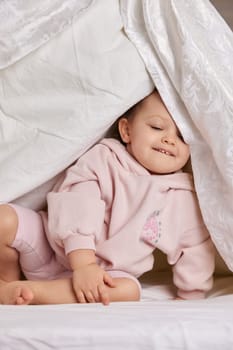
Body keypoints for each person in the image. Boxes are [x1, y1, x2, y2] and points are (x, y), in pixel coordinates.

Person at [0, 90, 215, 305]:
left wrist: (191, 295)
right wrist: (84, 265)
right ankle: (5, 281)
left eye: (182, 136)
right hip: (51, 248)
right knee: (4, 219)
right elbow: (78, 203)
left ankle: (30, 292)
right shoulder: (104, 159)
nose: (169, 139)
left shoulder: (182, 196)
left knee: (129, 290)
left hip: (107, 275)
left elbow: (196, 248)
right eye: (157, 127)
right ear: (126, 130)